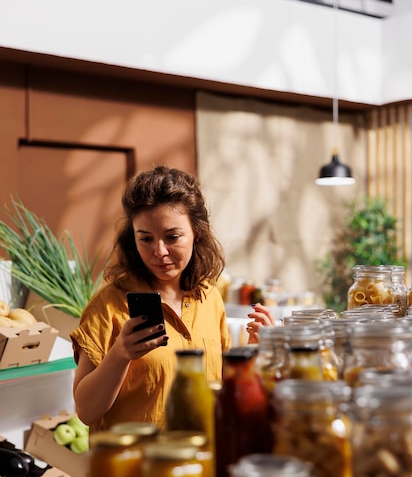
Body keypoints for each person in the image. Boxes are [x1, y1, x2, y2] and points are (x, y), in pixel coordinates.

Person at [71, 165, 274, 433]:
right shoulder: (109, 305)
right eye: (145, 239)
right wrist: (120, 354)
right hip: (135, 469)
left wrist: (254, 351)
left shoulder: (208, 297)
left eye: (172, 237)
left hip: (200, 461)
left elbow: (222, 390)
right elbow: (86, 412)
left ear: (196, 233)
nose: (159, 251)